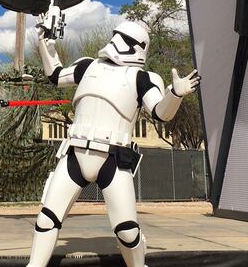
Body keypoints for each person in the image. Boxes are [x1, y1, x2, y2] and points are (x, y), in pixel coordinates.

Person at [28, 21, 200, 267]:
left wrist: (176, 94)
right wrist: (45, 44)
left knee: (128, 232)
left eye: (125, 38)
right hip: (75, 153)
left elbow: (161, 113)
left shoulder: (142, 78)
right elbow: (55, 75)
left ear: (139, 47)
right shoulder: (88, 65)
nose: (117, 42)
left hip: (114, 158)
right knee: (47, 219)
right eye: (117, 35)